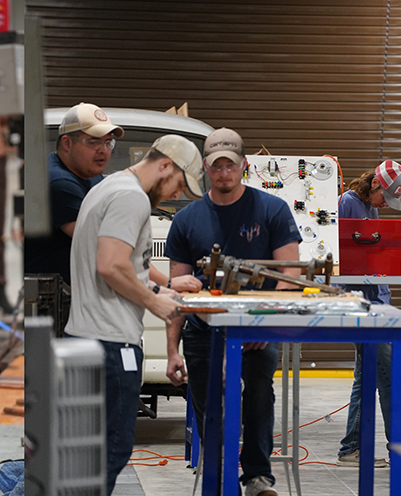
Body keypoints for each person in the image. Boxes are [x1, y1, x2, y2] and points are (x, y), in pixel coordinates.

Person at [158, 129, 292, 495]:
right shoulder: (186, 220)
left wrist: (264, 326)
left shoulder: (271, 210)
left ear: (243, 166)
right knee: (207, 403)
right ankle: (216, 473)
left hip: (257, 328)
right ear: (205, 168)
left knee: (259, 395)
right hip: (204, 330)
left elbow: (291, 276)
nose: (223, 173)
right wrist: (172, 351)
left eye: (229, 166)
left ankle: (257, 477)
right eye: (216, 166)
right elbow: (177, 292)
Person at [69, 134, 201, 492]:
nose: (177, 194)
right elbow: (110, 266)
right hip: (111, 343)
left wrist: (166, 287)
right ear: (165, 165)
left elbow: (129, 263)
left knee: (88, 453)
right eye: (178, 184)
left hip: (90, 338)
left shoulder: (110, 187)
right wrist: (156, 303)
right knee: (112, 449)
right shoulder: (131, 198)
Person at [27, 103, 123, 332]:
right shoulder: (58, 181)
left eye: (108, 142)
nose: (103, 150)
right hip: (49, 305)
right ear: (67, 143)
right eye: (93, 142)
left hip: (71, 298)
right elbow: (102, 241)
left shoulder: (88, 174)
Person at [332, 161, 401, 464]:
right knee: (386, 374)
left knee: (368, 375)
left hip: (374, 303)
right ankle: (400, 442)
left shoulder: (369, 208)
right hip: (360, 304)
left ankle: (351, 447)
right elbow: (348, 258)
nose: (386, 205)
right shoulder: (349, 203)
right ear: (375, 184)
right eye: (385, 198)